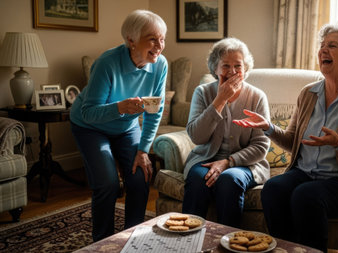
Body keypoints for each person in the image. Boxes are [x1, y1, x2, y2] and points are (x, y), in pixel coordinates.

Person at [233, 23, 338, 252]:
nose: (323, 50)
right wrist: (268, 127)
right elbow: (293, 140)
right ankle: (286, 249)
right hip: (305, 172)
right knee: (273, 188)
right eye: (322, 46)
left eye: (332, 45)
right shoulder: (308, 93)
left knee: (306, 196)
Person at [69, 10, 167, 241]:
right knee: (107, 183)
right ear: (131, 40)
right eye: (152, 39)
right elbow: (88, 112)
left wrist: (143, 151)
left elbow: (155, 111)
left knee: (141, 176)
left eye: (162, 38)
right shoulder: (107, 63)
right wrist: (120, 108)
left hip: (126, 128)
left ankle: (133, 238)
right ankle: (102, 242)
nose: (159, 45)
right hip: (89, 127)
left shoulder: (160, 65)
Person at [182, 38, 271, 228]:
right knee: (198, 180)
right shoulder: (203, 93)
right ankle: (187, 240)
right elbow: (197, 137)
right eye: (226, 66)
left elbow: (261, 146)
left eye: (238, 66)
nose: (232, 72)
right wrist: (220, 100)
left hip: (246, 164)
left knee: (229, 180)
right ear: (215, 69)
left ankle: (228, 242)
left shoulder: (257, 97)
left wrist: (228, 162)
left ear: (245, 69)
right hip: (205, 159)